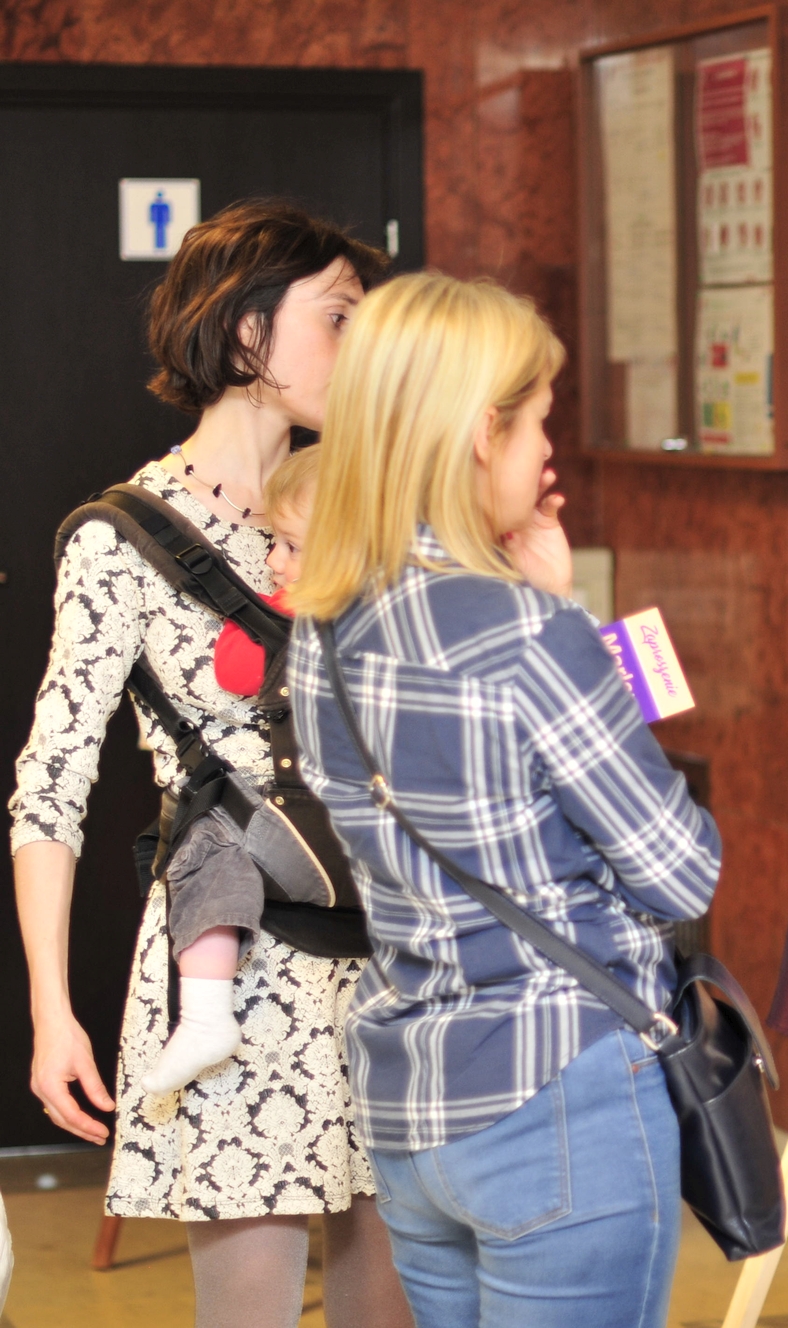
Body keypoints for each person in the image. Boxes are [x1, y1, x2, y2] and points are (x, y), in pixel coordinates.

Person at [286, 271, 720, 1327]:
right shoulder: (528, 632)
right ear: (482, 432)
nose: (547, 450)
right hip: (558, 1088)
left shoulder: (323, 627)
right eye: (537, 422)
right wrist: (561, 613)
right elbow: (680, 871)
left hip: (412, 1105)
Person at [12, 201, 412, 1327]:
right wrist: (52, 1009)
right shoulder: (119, 539)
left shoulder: (367, 505)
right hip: (232, 978)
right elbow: (50, 783)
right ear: (245, 333)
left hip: (392, 960)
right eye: (337, 319)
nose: (361, 348)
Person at [141, 445, 323, 1094]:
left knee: (210, 832)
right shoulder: (406, 614)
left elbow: (235, 671)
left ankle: (204, 1015)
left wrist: (264, 611)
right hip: (386, 841)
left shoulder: (298, 615)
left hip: (313, 824)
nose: (273, 561)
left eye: (292, 547)